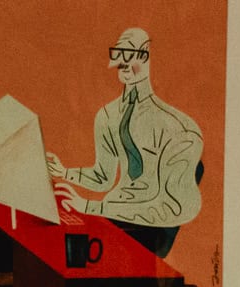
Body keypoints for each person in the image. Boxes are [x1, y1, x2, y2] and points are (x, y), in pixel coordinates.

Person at [45, 27, 204, 259]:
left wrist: (90, 207)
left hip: (147, 232)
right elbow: (103, 177)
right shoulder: (107, 116)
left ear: (145, 55)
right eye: (118, 55)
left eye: (129, 55)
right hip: (110, 218)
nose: (122, 64)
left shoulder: (180, 129)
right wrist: (65, 172)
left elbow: (175, 208)